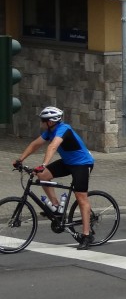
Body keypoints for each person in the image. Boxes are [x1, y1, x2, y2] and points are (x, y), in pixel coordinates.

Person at [14, 107, 97, 250]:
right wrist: (20, 159)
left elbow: (52, 147)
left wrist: (43, 164)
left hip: (82, 163)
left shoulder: (63, 129)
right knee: (42, 175)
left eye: (43, 120)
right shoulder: (50, 131)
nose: (41, 122)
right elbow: (35, 144)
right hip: (68, 162)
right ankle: (57, 207)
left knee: (81, 197)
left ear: (51, 122)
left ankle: (86, 235)